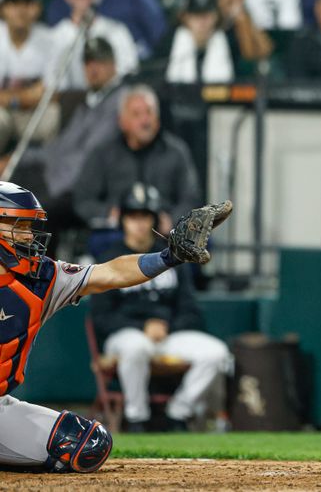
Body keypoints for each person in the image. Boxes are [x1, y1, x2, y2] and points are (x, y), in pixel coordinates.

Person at [0, 180, 231, 471]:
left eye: (29, 227)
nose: (28, 237)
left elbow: (109, 273)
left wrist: (169, 257)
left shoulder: (42, 277)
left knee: (88, 443)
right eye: (18, 226)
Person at [90, 184, 230, 432]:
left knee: (216, 353)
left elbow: (189, 309)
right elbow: (101, 317)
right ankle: (136, 417)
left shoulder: (173, 256)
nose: (140, 223)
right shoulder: (112, 259)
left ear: (155, 219)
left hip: (167, 334)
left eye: (145, 216)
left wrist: (166, 326)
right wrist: (142, 326)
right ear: (123, 220)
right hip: (126, 336)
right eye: (133, 216)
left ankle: (178, 412)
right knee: (136, 346)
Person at [9, 37, 125, 252]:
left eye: (99, 62)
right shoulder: (88, 103)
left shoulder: (118, 101)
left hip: (86, 189)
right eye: (88, 63)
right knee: (11, 187)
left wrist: (50, 184)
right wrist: (18, 158)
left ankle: (38, 277)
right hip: (60, 179)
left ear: (113, 65)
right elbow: (58, 148)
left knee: (36, 210)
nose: (93, 69)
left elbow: (89, 155)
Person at [73, 84, 201, 233]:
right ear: (122, 122)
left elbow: (191, 198)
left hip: (163, 235)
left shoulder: (176, 152)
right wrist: (109, 214)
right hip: (116, 234)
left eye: (149, 112)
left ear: (158, 118)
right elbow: (83, 200)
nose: (145, 121)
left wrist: (173, 219)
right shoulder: (102, 153)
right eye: (136, 114)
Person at [48, 0, 138, 91]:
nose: (87, 0)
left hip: (111, 97)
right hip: (74, 99)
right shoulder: (58, 35)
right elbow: (53, 81)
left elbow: (129, 73)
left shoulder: (117, 31)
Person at [0, 0, 59, 152]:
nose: (20, 10)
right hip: (4, 113)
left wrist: (11, 98)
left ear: (37, 8)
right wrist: (30, 94)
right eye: (14, 3)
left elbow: (52, 94)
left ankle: (41, 171)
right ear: (3, 9)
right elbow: (40, 91)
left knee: (52, 115)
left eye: (26, 3)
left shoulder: (49, 40)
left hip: (33, 114)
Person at [215, 0, 273, 78]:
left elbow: (264, 52)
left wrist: (243, 21)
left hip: (240, 79)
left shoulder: (244, 14)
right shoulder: (208, 11)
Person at [165, 0, 234, 85]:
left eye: (207, 15)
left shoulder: (231, 43)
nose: (202, 22)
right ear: (185, 18)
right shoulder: (168, 44)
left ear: (216, 16)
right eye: (196, 15)